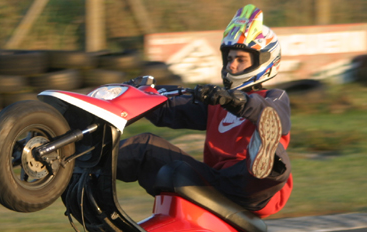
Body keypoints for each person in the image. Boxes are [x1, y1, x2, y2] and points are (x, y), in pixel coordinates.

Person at [117, 4, 292, 218]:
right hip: (215, 181)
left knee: (269, 140)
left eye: (241, 59)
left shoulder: (275, 97)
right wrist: (137, 93)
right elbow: (169, 109)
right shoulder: (215, 104)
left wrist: (232, 100)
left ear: (263, 62)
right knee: (144, 147)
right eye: (229, 59)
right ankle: (82, 169)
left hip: (256, 186)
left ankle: (262, 154)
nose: (232, 66)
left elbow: (275, 116)